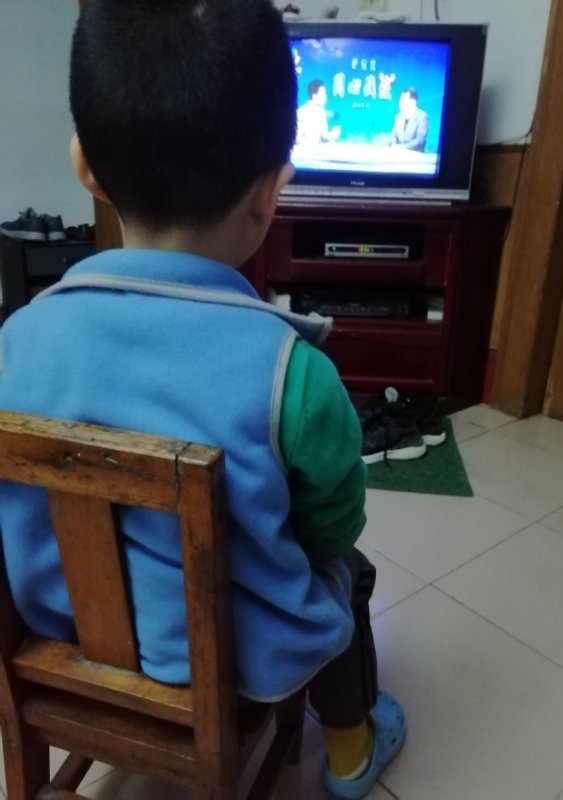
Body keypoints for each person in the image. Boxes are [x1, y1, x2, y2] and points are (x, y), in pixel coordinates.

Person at [0, 1, 406, 797]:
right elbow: (333, 525)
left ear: (86, 167)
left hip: (58, 633)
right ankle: (352, 751)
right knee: (347, 571)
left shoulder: (15, 340)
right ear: (271, 192)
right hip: (236, 663)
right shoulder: (294, 372)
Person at [296, 78, 342, 144]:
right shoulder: (301, 113)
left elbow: (324, 136)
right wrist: (312, 143)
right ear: (314, 96)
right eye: (323, 94)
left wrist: (332, 135)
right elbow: (297, 138)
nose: (325, 98)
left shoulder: (321, 112)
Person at [390, 87, 429, 151]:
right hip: (398, 154)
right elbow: (393, 135)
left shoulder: (422, 117)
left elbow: (420, 140)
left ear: (413, 102)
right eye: (400, 100)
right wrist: (393, 144)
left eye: (404, 100)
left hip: (416, 155)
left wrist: (401, 147)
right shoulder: (398, 117)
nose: (400, 102)